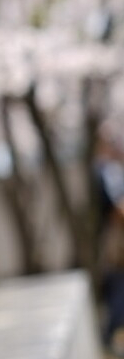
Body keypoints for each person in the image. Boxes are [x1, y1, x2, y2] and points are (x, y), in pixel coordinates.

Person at [96, 136, 124, 356]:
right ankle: (109, 334)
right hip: (116, 239)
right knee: (118, 285)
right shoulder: (103, 171)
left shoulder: (112, 170)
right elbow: (112, 207)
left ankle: (110, 333)